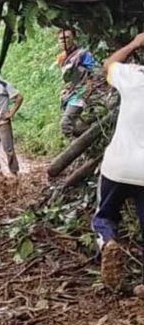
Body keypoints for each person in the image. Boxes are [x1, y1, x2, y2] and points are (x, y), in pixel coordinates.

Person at [91, 32, 144, 291]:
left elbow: (108, 65)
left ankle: (109, 241)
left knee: (104, 217)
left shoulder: (133, 76)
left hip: (118, 165)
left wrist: (135, 44)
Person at [57, 28, 99, 138]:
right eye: (61, 38)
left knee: (65, 124)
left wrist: (89, 89)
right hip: (69, 94)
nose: (64, 41)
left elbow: (93, 71)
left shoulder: (83, 54)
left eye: (67, 37)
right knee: (76, 128)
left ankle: (74, 152)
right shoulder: (61, 57)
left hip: (81, 93)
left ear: (73, 38)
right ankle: (90, 147)